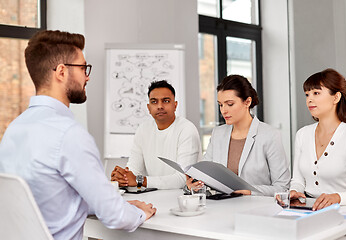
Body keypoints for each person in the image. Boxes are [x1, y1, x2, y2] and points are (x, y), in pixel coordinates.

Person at [0, 30, 156, 240]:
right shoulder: (68, 135)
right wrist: (139, 212)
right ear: (62, 72)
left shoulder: (14, 129)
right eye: (83, 68)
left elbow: (53, 200)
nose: (87, 76)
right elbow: (116, 217)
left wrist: (115, 204)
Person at [187, 75, 290, 196]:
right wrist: (195, 184)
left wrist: (250, 192)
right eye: (220, 105)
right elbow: (206, 176)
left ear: (247, 102)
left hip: (256, 209)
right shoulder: (218, 134)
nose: (223, 110)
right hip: (223, 208)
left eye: (230, 104)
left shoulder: (269, 135)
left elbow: (283, 187)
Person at [290, 68, 346, 211]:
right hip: (308, 211)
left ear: (336, 97)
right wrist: (295, 192)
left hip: (343, 211)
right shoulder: (302, 134)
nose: (309, 99)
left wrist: (337, 197)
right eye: (307, 94)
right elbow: (297, 181)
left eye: (316, 93)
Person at [111, 80, 202, 189]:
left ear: (175, 105)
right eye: (154, 102)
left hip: (182, 199)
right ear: (148, 108)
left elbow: (183, 179)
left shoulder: (187, 129)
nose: (160, 106)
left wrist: (140, 180)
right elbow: (134, 169)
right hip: (152, 198)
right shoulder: (143, 129)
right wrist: (122, 177)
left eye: (166, 101)